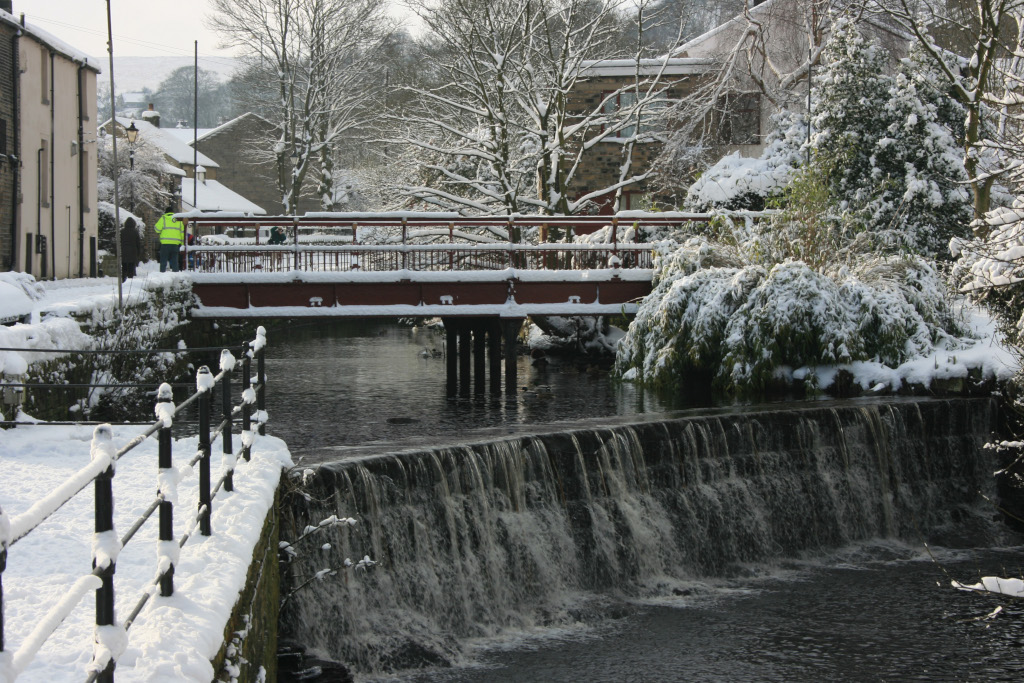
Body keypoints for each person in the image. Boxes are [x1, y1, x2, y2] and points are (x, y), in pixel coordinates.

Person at [154, 207, 184, 272]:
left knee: (163, 262)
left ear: (166, 212)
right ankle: (176, 275)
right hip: (175, 244)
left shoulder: (163, 218)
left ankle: (162, 274)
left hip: (165, 244)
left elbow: (157, 229)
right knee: (175, 262)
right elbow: (182, 232)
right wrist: (181, 244)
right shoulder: (178, 220)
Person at [120, 216, 142, 282]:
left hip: (124, 251)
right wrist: (138, 252)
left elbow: (119, 241)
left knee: (124, 266)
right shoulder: (135, 232)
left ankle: (123, 279)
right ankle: (130, 279)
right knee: (131, 266)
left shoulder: (122, 231)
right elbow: (138, 243)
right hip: (133, 251)